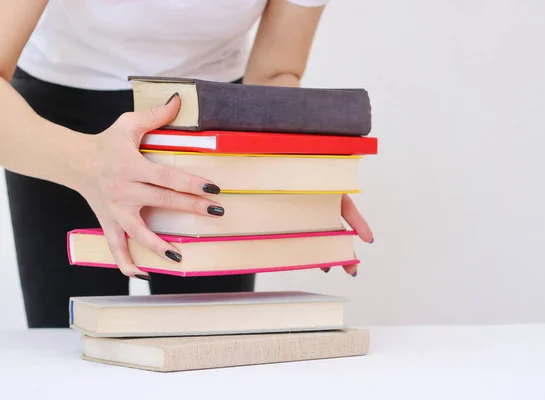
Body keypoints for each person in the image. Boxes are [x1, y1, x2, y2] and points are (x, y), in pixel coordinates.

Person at [0, 0, 374, 328]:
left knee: (210, 344)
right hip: (57, 118)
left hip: (213, 121)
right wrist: (86, 164)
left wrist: (292, 167)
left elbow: (275, 72)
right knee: (66, 339)